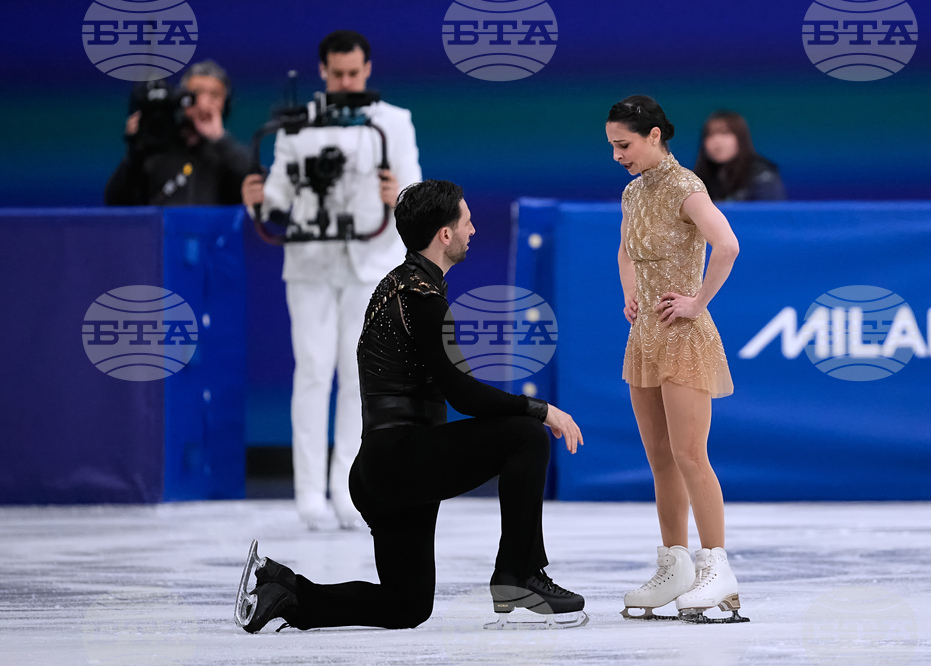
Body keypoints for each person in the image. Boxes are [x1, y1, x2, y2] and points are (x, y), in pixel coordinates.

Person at [234, 179, 587, 633]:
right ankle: (519, 573)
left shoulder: (398, 286)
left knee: (407, 606)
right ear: (444, 234)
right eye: (467, 221)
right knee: (526, 436)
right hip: (400, 461)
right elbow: (464, 394)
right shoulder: (421, 300)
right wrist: (540, 409)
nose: (473, 230)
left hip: (384, 471)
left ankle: (283, 591)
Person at [241, 31, 421, 530]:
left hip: (369, 261)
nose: (345, 82)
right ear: (322, 71)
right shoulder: (297, 126)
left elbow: (415, 193)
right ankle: (307, 494)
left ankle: (348, 490)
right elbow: (277, 198)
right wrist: (258, 196)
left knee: (358, 376)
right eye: (337, 74)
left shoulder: (394, 122)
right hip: (311, 262)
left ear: (368, 68)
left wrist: (397, 193)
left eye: (353, 73)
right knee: (314, 370)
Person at [607, 95, 747, 623]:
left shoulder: (687, 187)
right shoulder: (631, 192)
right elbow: (625, 250)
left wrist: (696, 302)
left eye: (625, 145)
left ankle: (718, 566)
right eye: (613, 147)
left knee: (691, 455)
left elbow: (728, 245)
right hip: (645, 336)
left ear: (654, 137)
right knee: (660, 457)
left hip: (684, 337)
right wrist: (631, 292)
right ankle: (676, 564)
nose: (619, 155)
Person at [105, 60, 253, 205]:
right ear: (181, 99)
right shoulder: (156, 150)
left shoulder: (228, 156)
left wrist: (220, 139)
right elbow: (116, 202)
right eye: (196, 94)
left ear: (225, 104)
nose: (203, 104)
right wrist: (134, 151)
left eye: (214, 95)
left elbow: (255, 187)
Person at [693, 110, 787, 202]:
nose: (716, 140)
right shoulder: (697, 180)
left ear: (741, 139)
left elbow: (769, 215)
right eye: (710, 134)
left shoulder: (762, 175)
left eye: (724, 133)